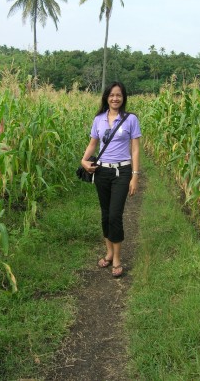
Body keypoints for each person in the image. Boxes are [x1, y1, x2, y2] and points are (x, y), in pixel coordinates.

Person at [81, 82, 141, 277]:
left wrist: (135, 176)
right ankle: (108, 252)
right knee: (106, 214)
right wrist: (83, 160)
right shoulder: (98, 119)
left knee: (115, 215)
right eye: (112, 95)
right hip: (102, 172)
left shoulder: (130, 119)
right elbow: (93, 144)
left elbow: (135, 149)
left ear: (123, 98)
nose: (115, 98)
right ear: (106, 97)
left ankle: (116, 258)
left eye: (119, 95)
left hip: (121, 172)